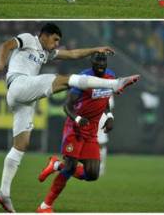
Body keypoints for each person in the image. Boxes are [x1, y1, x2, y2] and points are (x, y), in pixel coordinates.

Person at [0, 23, 139, 212]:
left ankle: (4, 192)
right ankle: (115, 84)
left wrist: (95, 49)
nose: (57, 43)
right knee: (66, 79)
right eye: (55, 39)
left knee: (21, 145)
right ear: (45, 35)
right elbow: (6, 45)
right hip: (18, 83)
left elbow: (73, 54)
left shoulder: (46, 53)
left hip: (24, 99)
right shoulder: (28, 39)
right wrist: (2, 64)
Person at [35, 52, 116, 213]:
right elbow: (67, 106)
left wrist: (109, 116)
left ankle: (56, 165)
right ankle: (45, 206)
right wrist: (78, 119)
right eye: (97, 63)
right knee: (70, 168)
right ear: (92, 63)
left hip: (91, 131)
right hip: (75, 128)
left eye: (103, 63)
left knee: (93, 174)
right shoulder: (83, 79)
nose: (101, 66)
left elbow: (105, 98)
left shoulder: (111, 76)